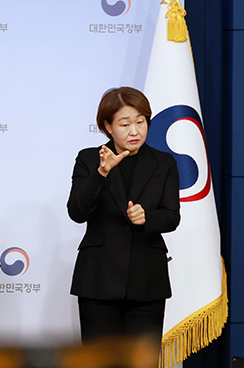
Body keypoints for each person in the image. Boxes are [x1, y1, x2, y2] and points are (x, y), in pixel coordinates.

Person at [66, 87, 180, 350]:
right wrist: (101, 174)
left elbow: (172, 217)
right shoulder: (89, 159)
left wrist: (146, 218)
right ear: (108, 127)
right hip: (98, 280)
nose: (134, 131)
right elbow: (77, 212)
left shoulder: (164, 163)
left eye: (141, 122)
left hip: (147, 281)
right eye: (125, 124)